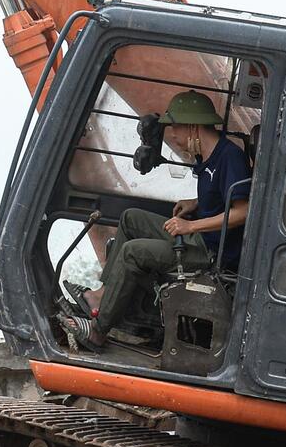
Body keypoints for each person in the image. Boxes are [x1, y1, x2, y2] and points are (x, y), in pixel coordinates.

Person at [72, 90, 251, 351]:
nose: (174, 138)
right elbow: (223, 192)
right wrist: (196, 203)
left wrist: (190, 225)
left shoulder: (229, 157)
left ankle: (99, 332)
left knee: (133, 252)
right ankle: (104, 294)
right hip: (199, 236)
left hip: (211, 250)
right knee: (130, 218)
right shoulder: (208, 155)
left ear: (192, 126)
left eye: (175, 129)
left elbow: (243, 211)